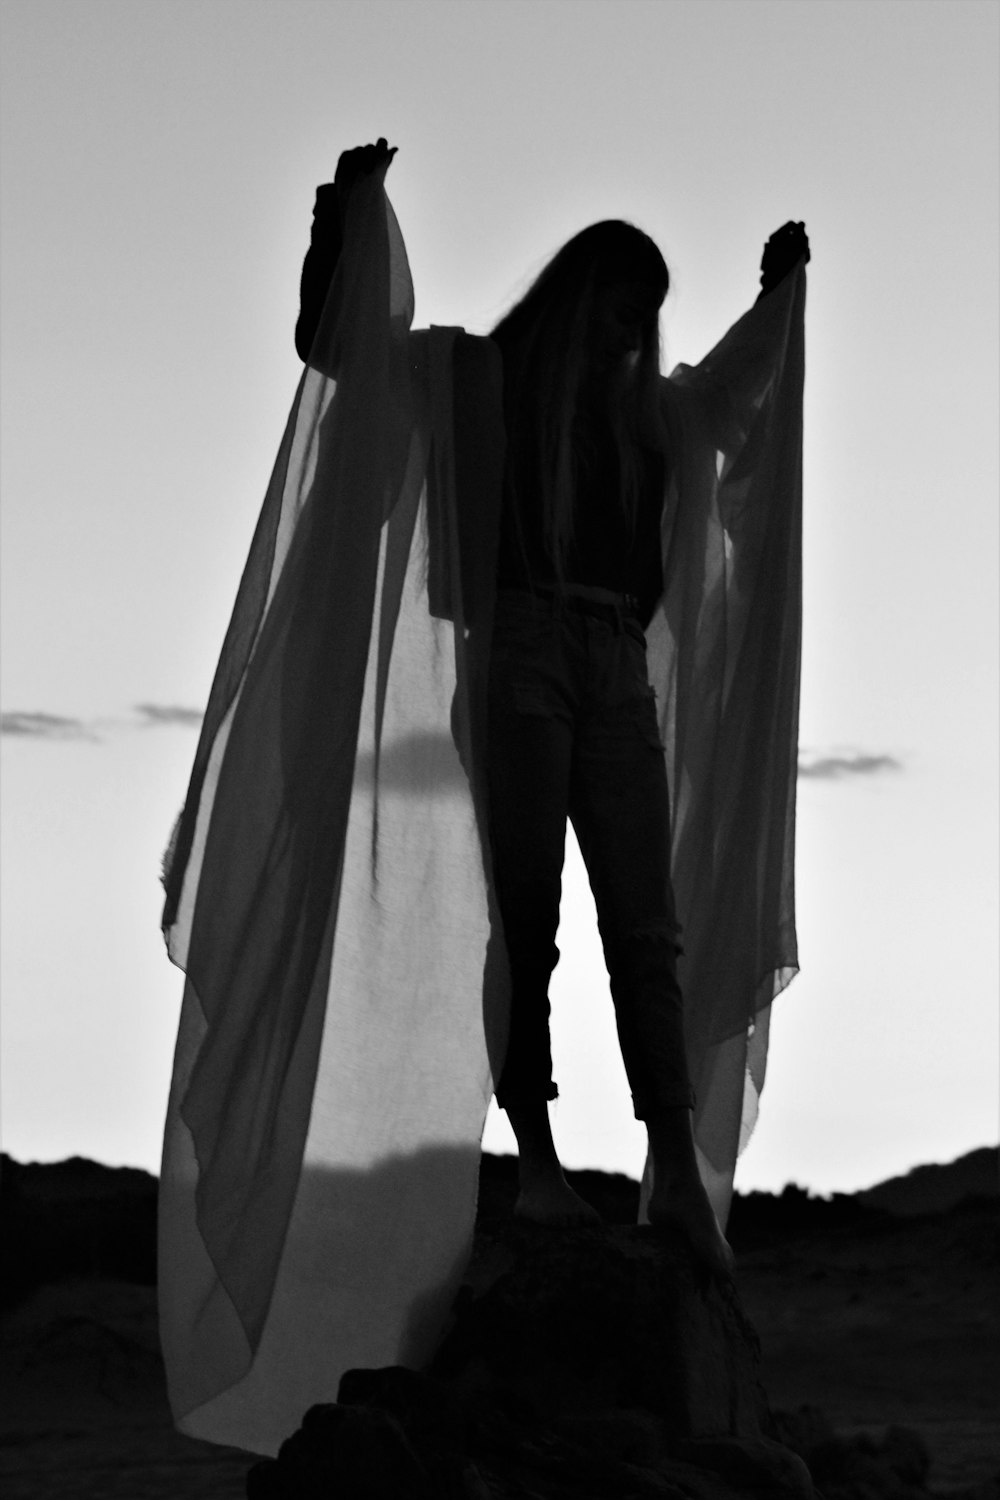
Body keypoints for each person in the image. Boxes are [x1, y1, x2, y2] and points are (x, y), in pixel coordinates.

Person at [158, 140, 806, 1452]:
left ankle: (672, 1162)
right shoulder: (480, 378)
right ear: (579, 297)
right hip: (515, 651)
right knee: (526, 915)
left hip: (612, 662)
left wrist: (778, 299)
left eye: (650, 315)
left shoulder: (650, 420)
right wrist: (342, 219)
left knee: (648, 919)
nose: (634, 332)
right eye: (621, 307)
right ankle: (545, 1168)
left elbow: (735, 404)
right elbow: (343, 351)